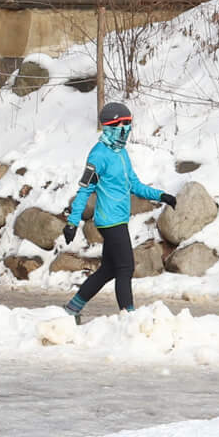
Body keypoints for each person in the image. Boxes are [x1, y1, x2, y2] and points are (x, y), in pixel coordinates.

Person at [60, 99, 176, 319]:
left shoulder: (121, 153)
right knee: (126, 267)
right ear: (109, 127)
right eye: (121, 125)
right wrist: (72, 222)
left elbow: (134, 184)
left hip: (120, 219)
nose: (125, 131)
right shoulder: (98, 156)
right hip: (108, 221)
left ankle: (72, 309)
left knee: (109, 270)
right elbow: (84, 191)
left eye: (128, 125)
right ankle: (128, 316)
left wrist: (162, 196)